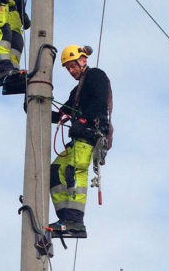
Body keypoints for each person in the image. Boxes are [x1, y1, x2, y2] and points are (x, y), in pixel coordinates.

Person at [49, 45, 112, 238]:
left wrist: (84, 120)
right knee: (56, 170)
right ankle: (65, 218)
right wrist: (40, 110)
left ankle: (75, 221)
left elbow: (100, 102)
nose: (71, 71)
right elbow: (64, 112)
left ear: (83, 60)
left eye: (72, 66)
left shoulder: (96, 76)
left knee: (76, 170)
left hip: (91, 133)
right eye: (67, 68)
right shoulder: (77, 90)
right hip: (79, 135)